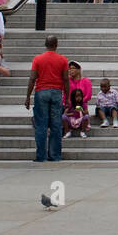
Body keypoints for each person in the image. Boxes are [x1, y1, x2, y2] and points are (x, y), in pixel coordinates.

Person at [24, 35, 69, 163]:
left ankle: (41, 156)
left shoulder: (37, 59)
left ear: (45, 44)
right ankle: (54, 155)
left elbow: (32, 78)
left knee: (41, 125)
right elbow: (66, 79)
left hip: (41, 92)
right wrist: (67, 98)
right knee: (56, 125)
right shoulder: (63, 60)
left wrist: (28, 97)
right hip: (56, 92)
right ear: (57, 44)